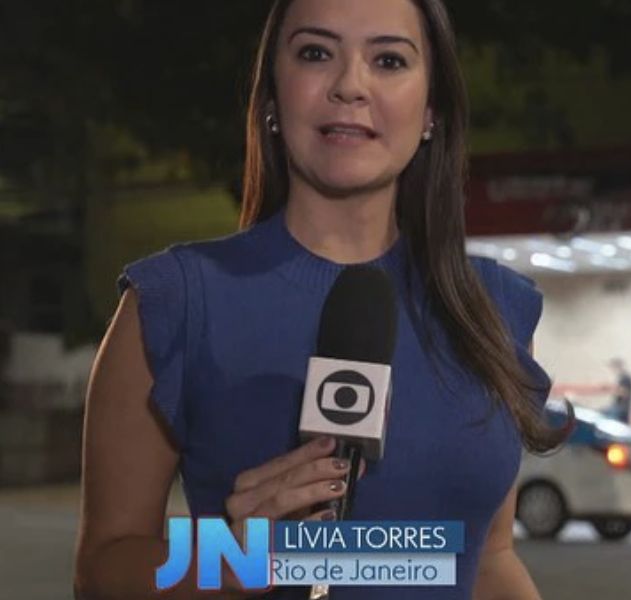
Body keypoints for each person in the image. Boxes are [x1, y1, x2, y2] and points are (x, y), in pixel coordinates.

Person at [73, 1, 568, 598]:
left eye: (389, 59)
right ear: (273, 98)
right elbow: (105, 567)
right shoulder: (175, 299)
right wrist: (239, 561)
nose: (350, 85)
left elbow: (487, 560)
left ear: (431, 109)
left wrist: (348, 558)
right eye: (315, 53)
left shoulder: (493, 306)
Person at [608, 358, 631, 425]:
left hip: (621, 410)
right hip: (620, 409)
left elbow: (624, 393)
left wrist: (612, 390)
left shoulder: (625, 378)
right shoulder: (622, 378)